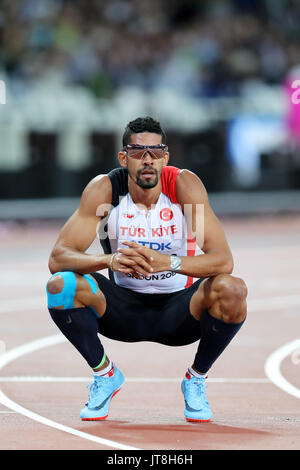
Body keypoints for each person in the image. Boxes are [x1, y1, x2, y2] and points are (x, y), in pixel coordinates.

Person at [46, 116, 247, 422]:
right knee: (61, 286)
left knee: (232, 289)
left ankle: (196, 379)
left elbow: (223, 260)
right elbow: (58, 257)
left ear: (166, 156)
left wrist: (169, 263)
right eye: (139, 153)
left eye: (156, 152)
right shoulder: (105, 190)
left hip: (180, 310)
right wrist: (109, 260)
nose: (148, 160)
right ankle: (105, 375)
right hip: (121, 309)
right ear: (124, 158)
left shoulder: (184, 187)